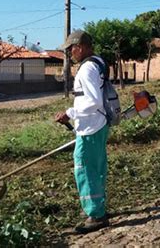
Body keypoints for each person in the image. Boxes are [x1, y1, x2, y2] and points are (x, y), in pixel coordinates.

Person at [55, 30, 110, 234]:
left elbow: (93, 100)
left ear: (81, 46)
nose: (70, 53)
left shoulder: (87, 69)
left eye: (72, 49)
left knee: (84, 168)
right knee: (96, 167)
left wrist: (70, 113)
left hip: (90, 127)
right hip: (98, 124)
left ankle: (95, 215)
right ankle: (98, 207)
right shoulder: (98, 62)